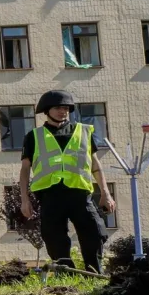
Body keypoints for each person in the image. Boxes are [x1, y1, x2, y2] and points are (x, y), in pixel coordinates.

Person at [19, 90, 115, 274]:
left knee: (94, 233)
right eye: (57, 108)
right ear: (47, 110)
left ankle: (94, 273)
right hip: (50, 195)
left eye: (66, 108)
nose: (62, 111)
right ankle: (66, 275)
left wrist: (105, 193)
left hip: (80, 193)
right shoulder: (34, 136)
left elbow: (95, 165)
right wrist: (25, 199)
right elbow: (25, 170)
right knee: (54, 237)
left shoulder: (84, 131)